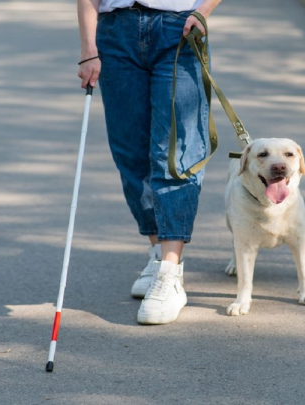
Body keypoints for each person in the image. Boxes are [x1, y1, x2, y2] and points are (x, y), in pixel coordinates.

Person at [77, 0, 221, 324]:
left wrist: (203, 11)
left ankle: (170, 271)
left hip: (178, 28)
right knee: (130, 152)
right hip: (114, 33)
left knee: (174, 152)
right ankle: (157, 252)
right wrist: (88, 48)